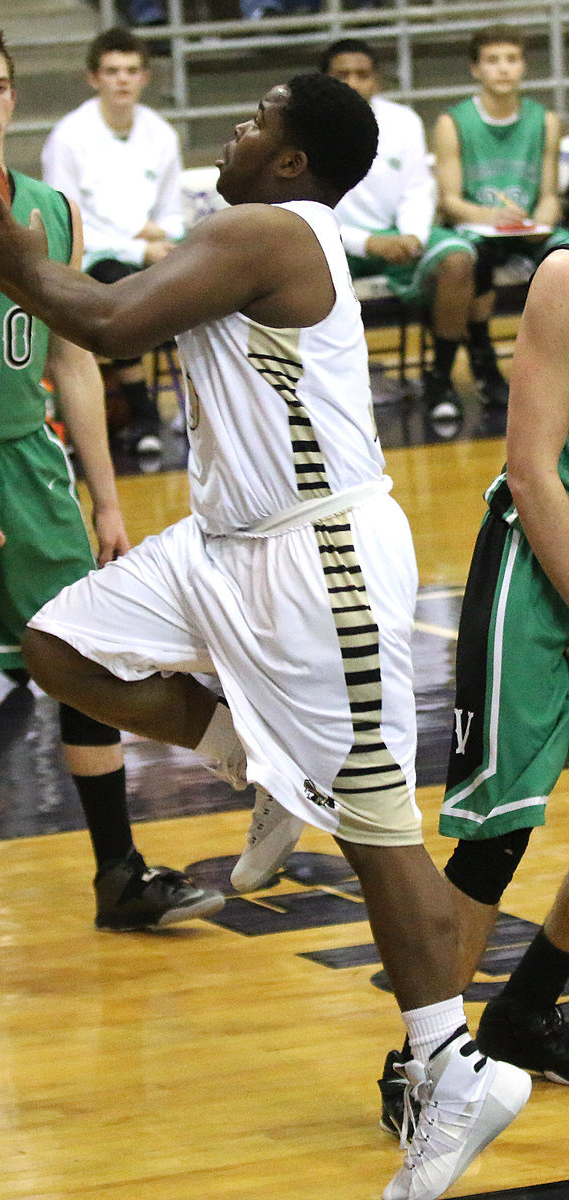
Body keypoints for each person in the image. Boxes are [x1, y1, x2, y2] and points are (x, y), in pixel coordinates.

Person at [0, 70, 531, 1200]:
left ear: (293, 161)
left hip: (319, 557)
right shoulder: (246, 230)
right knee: (61, 646)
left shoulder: (269, 230)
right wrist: (26, 264)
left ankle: (452, 1067)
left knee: (374, 827)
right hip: (223, 543)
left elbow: (108, 323)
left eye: (258, 118)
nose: (235, 127)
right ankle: (252, 762)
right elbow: (117, 297)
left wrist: (8, 257)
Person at [0, 17, 224, 977]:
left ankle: (119, 874)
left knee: (82, 661)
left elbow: (73, 363)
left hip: (33, 462)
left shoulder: (51, 211)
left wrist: (105, 498)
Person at [378, 247, 569, 1136]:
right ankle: (421, 1064)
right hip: (538, 560)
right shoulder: (563, 278)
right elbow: (530, 471)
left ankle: (524, 1010)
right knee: (497, 831)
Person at [41, 27, 184, 456]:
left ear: (145, 77)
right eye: (112, 71)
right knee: (118, 282)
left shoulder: (162, 135)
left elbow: (171, 215)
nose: (123, 79)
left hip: (151, 252)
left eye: (132, 70)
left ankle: (204, 406)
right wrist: (137, 241)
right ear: (93, 78)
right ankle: (143, 414)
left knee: (204, 280)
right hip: (89, 260)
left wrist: (157, 236)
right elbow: (70, 223)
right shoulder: (68, 138)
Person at [322, 39, 477, 426]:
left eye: (362, 74)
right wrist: (367, 242)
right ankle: (326, 390)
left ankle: (440, 380)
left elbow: (417, 190)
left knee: (458, 259)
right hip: (331, 242)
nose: (353, 82)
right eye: (342, 75)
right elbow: (306, 212)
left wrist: (413, 237)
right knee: (296, 267)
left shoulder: (403, 121)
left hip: (398, 235)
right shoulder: (304, 128)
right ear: (324, 79)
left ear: (377, 79)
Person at [434, 24, 569, 409]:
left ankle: (556, 364)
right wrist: (494, 217)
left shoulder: (544, 120)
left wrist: (539, 222)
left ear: (524, 66)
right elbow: (450, 201)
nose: (503, 68)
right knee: (472, 258)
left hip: (526, 227)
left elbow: (549, 196)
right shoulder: (452, 122)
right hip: (478, 228)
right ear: (475, 69)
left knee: (564, 252)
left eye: (511, 59)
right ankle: (482, 361)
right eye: (492, 61)